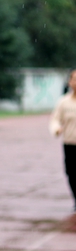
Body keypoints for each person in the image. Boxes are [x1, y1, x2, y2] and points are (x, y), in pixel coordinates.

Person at [50, 68, 76, 212]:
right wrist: (57, 129)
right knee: (71, 173)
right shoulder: (63, 102)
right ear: (70, 82)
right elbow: (55, 119)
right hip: (69, 144)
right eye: (74, 79)